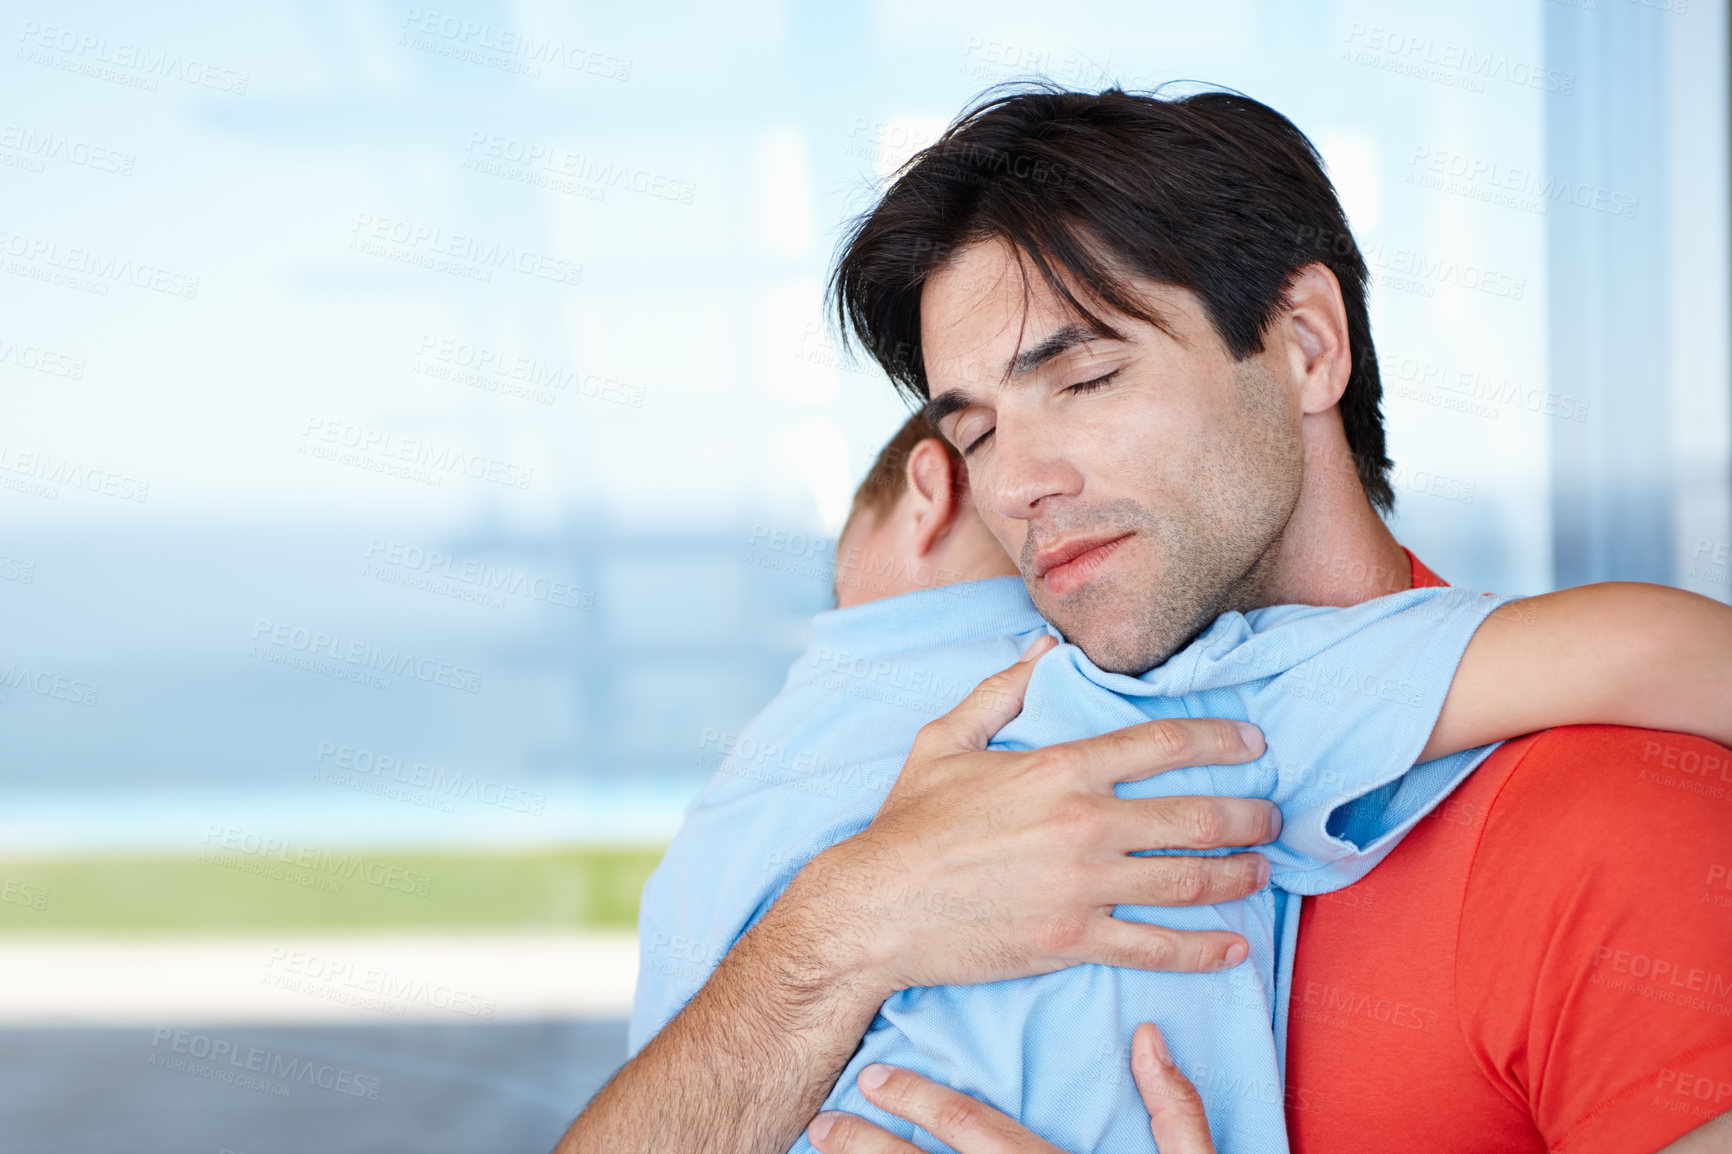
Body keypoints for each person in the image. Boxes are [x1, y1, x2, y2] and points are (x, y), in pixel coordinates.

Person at [562, 86, 1732, 1154]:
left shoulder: (1613, 827)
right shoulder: (977, 785)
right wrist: (847, 917)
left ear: (1307, 344)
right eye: (972, 433)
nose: (1013, 483)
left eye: (1081, 379)